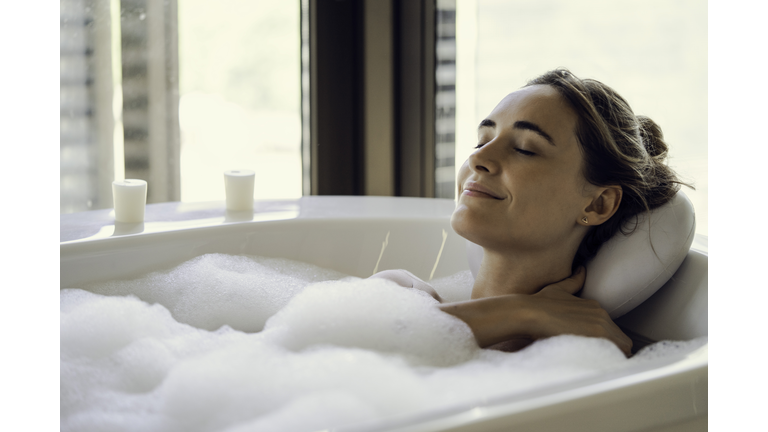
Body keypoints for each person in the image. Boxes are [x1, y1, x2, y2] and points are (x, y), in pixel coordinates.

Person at [374, 69, 686, 357]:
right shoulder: (398, 293)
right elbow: (347, 350)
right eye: (482, 140)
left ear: (597, 204)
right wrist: (523, 312)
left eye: (525, 148)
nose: (477, 158)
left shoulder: (588, 360)